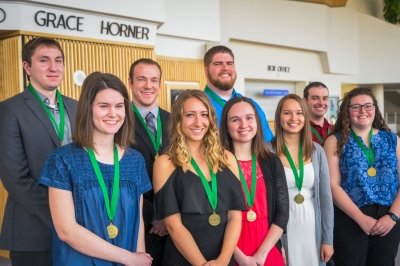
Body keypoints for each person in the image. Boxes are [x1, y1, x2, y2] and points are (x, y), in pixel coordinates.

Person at [39, 72, 153, 265]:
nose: (113, 113)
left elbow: (137, 221)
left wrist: (139, 257)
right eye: (103, 106)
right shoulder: (63, 160)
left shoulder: (135, 160)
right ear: (88, 108)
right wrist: (129, 258)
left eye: (119, 106)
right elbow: (66, 231)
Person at [0, 37, 77, 266]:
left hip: (80, 228)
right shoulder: (9, 110)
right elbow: (15, 178)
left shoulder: (77, 107)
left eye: (58, 60)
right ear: (27, 67)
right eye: (44, 60)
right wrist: (63, 214)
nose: (54, 67)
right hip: (33, 230)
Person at [153, 89, 246, 265]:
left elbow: (235, 217)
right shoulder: (165, 163)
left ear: (210, 118)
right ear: (178, 120)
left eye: (204, 114)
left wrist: (223, 260)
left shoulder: (227, 159)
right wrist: (202, 265)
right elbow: (174, 226)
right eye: (190, 115)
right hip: (182, 259)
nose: (198, 122)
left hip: (223, 259)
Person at [324, 87, 400, 266]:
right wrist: (360, 218)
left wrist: (393, 217)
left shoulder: (392, 139)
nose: (363, 111)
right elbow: (332, 185)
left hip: (388, 217)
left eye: (368, 106)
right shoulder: (334, 141)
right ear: (347, 111)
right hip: (350, 216)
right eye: (356, 107)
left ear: (375, 109)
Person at [219, 96, 289, 266]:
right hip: (230, 249)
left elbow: (282, 212)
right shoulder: (218, 164)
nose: (243, 125)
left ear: (257, 122)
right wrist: (239, 257)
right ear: (226, 127)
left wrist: (261, 254)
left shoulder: (272, 162)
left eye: (249, 118)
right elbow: (214, 218)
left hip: (266, 248)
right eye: (235, 120)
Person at [272, 94, 334, 266]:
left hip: (312, 223)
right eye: (287, 113)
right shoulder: (267, 152)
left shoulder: (317, 151)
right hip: (282, 224)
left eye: (299, 113)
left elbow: (326, 197)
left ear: (305, 117)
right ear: (279, 117)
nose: (294, 118)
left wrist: (328, 239)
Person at [128, 58, 170, 265]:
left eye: (154, 80)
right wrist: (155, 215)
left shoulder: (174, 121)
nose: (148, 85)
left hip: (175, 223)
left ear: (160, 85)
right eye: (141, 79)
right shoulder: (119, 120)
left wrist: (169, 215)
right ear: (130, 82)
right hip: (137, 223)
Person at [203, 45, 274, 142]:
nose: (225, 68)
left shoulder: (251, 105)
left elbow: (268, 144)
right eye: (218, 64)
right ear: (206, 71)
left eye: (229, 63)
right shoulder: (198, 106)